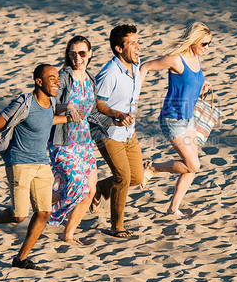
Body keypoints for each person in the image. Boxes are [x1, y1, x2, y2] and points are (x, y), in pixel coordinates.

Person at [0, 64, 70, 270]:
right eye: (51, 77)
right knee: (19, 216)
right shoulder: (23, 103)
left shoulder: (51, 102)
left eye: (57, 77)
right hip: (19, 162)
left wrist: (69, 118)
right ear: (39, 82)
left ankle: (21, 259)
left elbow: (45, 121)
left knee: (44, 213)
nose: (56, 80)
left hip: (42, 164)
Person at [140, 21, 213, 217]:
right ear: (195, 41)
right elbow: (145, 67)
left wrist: (202, 85)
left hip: (188, 118)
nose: (207, 48)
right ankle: (153, 168)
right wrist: (134, 94)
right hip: (172, 118)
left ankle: (173, 208)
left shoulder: (196, 60)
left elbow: (190, 83)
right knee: (193, 165)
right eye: (204, 44)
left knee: (191, 167)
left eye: (209, 44)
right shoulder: (176, 60)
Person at [89, 24, 146, 239]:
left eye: (137, 42)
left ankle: (101, 188)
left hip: (129, 133)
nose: (137, 47)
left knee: (137, 177)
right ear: (118, 49)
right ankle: (116, 226)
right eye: (132, 43)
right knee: (122, 177)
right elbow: (97, 105)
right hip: (108, 133)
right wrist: (117, 115)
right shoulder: (109, 73)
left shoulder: (135, 64)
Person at [48, 36, 98, 245]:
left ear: (90, 54)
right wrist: (66, 107)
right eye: (73, 54)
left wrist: (115, 118)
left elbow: (92, 111)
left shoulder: (90, 79)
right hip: (63, 142)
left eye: (82, 53)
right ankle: (46, 216)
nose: (77, 58)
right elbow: (49, 107)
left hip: (84, 142)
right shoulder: (63, 77)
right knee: (78, 186)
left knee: (91, 191)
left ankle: (68, 234)